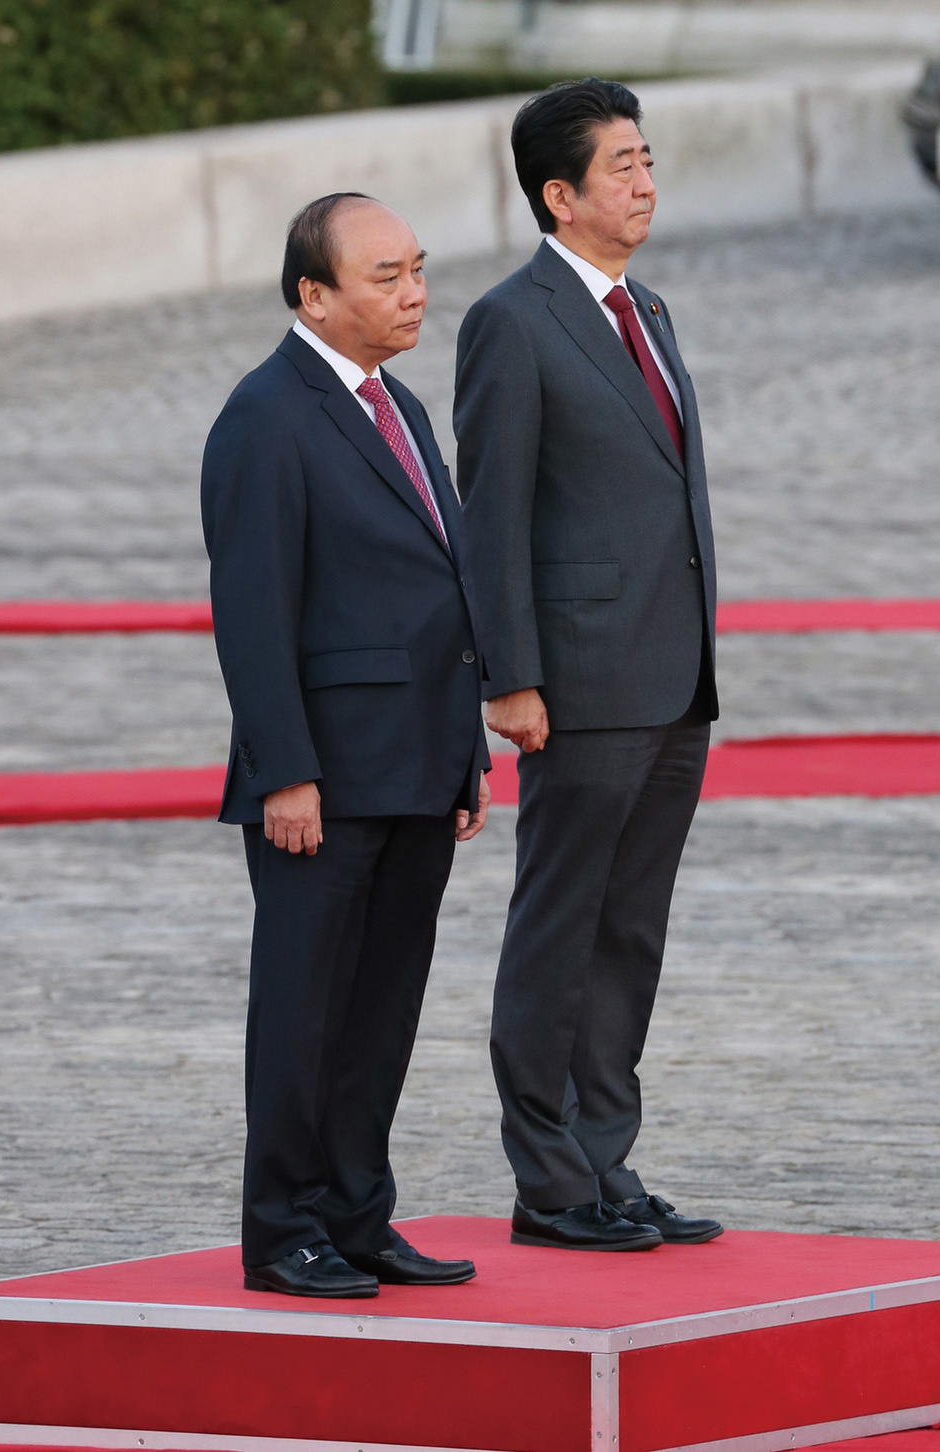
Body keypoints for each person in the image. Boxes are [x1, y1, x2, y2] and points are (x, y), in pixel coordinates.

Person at [202, 193, 491, 1298]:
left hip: (416, 762)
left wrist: (463, 753)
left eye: (417, 269)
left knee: (380, 1010)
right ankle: (282, 1232)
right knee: (303, 1009)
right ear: (313, 295)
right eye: (386, 276)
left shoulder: (399, 404)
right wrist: (285, 771)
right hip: (321, 777)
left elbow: (440, 584)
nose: (414, 293)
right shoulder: (267, 415)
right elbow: (253, 612)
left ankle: (357, 1216)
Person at [454, 79, 722, 1252]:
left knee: (629, 931)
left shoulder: (645, 307)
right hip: (579, 681)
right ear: (559, 196)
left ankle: (605, 1161)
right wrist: (509, 675)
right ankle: (550, 1183)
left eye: (647, 159)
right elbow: (493, 511)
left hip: (672, 674)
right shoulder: (512, 323)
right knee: (560, 928)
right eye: (622, 165)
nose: (646, 181)